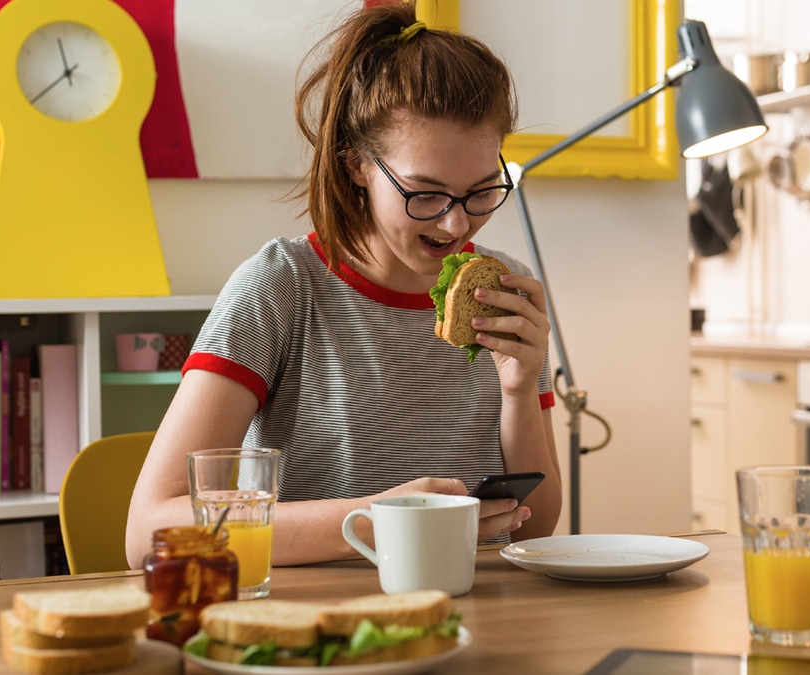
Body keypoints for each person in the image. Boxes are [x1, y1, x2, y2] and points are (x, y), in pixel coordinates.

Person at [125, 3, 561, 569]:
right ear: (356, 163)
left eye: (481, 191)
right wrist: (377, 521)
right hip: (319, 613)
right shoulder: (282, 287)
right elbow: (150, 530)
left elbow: (537, 528)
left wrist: (519, 392)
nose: (456, 223)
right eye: (425, 193)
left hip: (468, 608)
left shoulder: (503, 293)